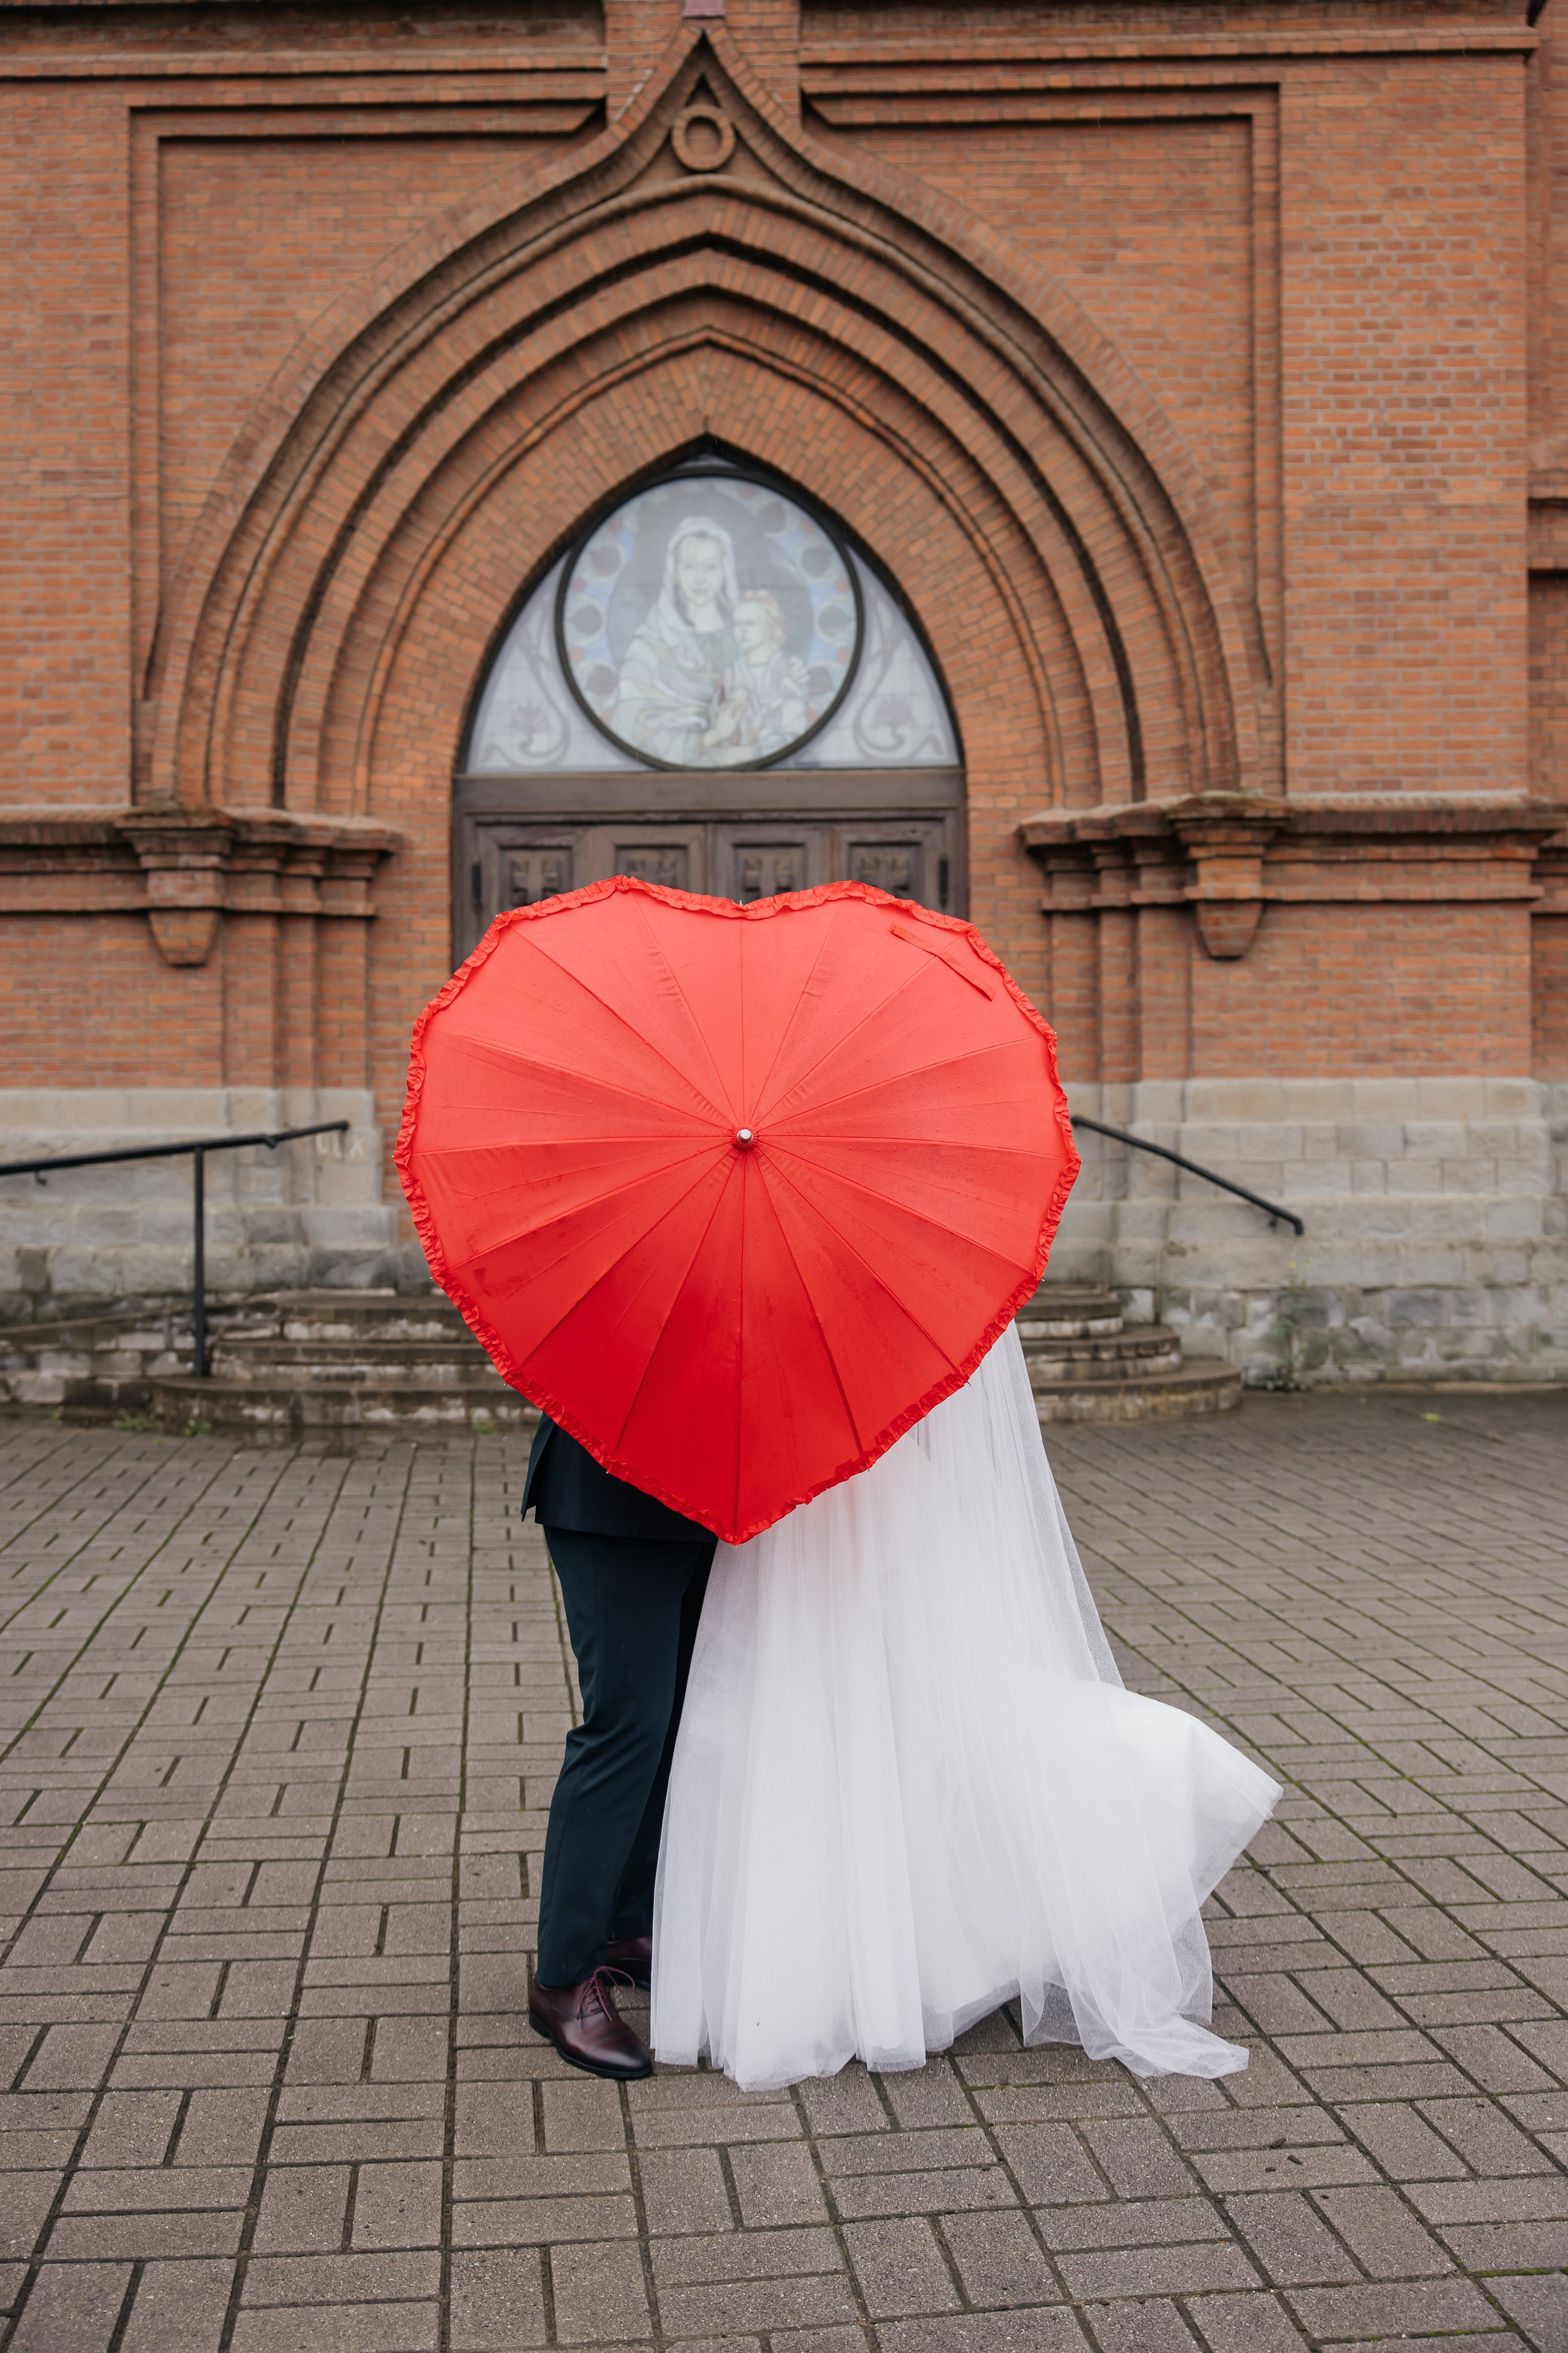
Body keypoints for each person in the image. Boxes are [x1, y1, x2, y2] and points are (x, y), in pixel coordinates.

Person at [650, 1320, 1281, 2090]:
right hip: (820, 1488)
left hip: (792, 1490)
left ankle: (811, 1969)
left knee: (799, 1732)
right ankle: (891, 1958)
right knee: (854, 1723)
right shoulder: (891, 1326)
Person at [522, 1412, 714, 2079]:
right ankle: (562, 1977)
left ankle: (626, 1930)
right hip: (611, 1488)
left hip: (702, 1499)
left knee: (668, 1722)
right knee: (622, 1729)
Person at [612, 517, 741, 765]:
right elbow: (632, 720)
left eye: (711, 567)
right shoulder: (650, 645)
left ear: (726, 570)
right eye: (690, 567)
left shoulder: (749, 638)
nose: (701, 579)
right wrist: (712, 737)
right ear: (674, 572)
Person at [700, 590, 813, 764]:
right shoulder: (729, 676)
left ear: (769, 627)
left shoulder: (788, 672)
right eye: (738, 624)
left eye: (750, 624)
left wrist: (753, 753)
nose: (743, 631)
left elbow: (795, 731)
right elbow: (715, 725)